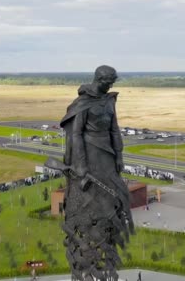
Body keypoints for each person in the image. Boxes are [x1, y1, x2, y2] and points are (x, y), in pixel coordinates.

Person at [59, 65, 135, 280]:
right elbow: (76, 134)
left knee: (113, 196)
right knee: (89, 198)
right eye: (108, 82)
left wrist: (119, 155)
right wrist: (81, 166)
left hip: (108, 156)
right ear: (99, 79)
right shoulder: (83, 103)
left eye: (113, 82)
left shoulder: (109, 101)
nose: (111, 85)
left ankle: (108, 237)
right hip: (90, 155)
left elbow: (114, 128)